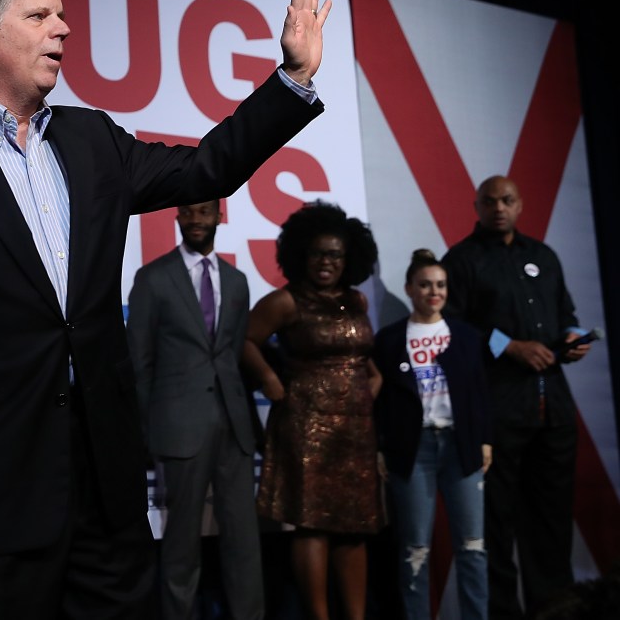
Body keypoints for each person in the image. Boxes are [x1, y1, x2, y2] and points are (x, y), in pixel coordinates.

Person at [0, 0, 329, 619]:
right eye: (40, 15)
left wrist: (293, 77)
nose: (63, 29)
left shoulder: (92, 138)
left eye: (64, 15)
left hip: (105, 480)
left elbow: (207, 167)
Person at [441, 175, 593, 619]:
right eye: (489, 202)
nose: (499, 208)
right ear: (476, 206)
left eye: (507, 200)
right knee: (496, 525)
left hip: (553, 411)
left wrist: (573, 336)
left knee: (550, 523)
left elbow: (566, 313)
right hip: (498, 411)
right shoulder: (463, 260)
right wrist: (507, 346)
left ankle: (555, 611)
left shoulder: (543, 256)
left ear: (520, 204)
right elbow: (451, 328)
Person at [240, 200, 383, 620]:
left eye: (335, 254)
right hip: (307, 427)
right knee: (313, 524)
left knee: (355, 524)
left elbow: (361, 356)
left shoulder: (356, 300)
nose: (326, 261)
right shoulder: (285, 301)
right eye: (318, 252)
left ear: (348, 258)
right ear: (302, 254)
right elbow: (245, 341)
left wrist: (373, 382)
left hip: (355, 431)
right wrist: (269, 378)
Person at [126, 200, 265, 620]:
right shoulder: (152, 278)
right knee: (181, 542)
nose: (196, 220)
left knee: (244, 542)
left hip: (235, 426)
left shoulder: (237, 282)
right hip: (179, 426)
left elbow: (234, 353)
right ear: (177, 216)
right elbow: (139, 362)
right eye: (189, 212)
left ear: (219, 217)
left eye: (204, 212)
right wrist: (144, 432)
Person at [372, 248, 494, 620]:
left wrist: (485, 439)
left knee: (473, 546)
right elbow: (381, 400)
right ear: (409, 288)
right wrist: (380, 446)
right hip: (414, 450)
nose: (433, 292)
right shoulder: (390, 340)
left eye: (440, 285)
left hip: (461, 446)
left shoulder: (467, 336)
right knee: (415, 548)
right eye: (425, 285)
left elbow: (480, 391)